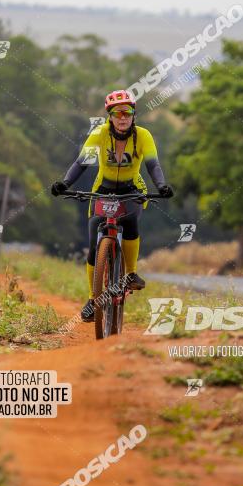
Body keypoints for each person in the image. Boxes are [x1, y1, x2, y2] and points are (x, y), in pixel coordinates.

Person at [51, 89, 174, 321]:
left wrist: (162, 185)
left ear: (133, 114)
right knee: (93, 243)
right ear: (110, 116)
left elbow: (153, 166)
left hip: (132, 188)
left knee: (130, 222)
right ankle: (92, 297)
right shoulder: (99, 134)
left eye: (127, 112)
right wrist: (64, 183)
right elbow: (81, 163)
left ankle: (131, 274)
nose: (123, 117)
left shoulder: (144, 136)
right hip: (103, 188)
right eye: (117, 113)